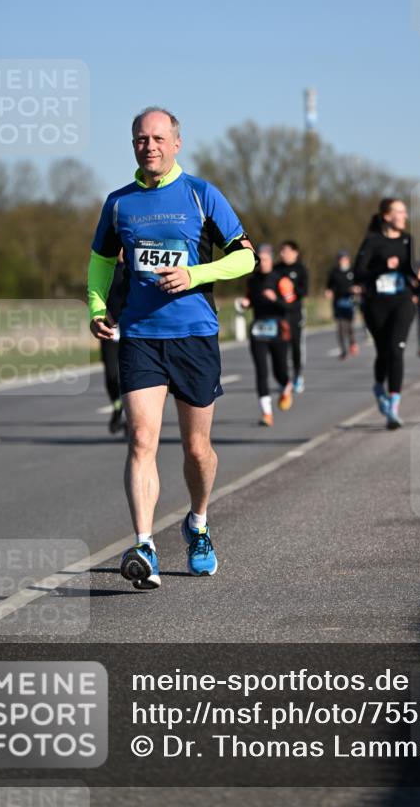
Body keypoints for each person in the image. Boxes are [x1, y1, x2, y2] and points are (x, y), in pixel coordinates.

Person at [87, 107, 256, 589]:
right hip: (140, 337)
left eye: (159, 138)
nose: (150, 146)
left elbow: (246, 256)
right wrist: (97, 308)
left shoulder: (202, 194)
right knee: (141, 440)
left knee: (197, 449)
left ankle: (198, 524)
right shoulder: (119, 203)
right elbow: (100, 261)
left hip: (194, 336)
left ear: (176, 143)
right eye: (141, 139)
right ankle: (144, 544)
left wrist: (196, 274)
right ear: (133, 144)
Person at [354, 198, 417, 429]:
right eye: (399, 212)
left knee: (396, 349)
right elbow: (358, 273)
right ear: (387, 216)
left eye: (404, 212)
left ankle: (394, 407)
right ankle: (379, 386)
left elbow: (415, 270)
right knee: (383, 352)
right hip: (376, 303)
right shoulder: (372, 242)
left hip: (402, 301)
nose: (404, 216)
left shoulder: (409, 241)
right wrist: (382, 268)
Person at [239, 245, 293, 426]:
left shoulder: (281, 280)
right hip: (258, 329)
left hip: (278, 329)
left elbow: (291, 306)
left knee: (280, 371)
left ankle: (286, 385)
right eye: (259, 259)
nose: (263, 263)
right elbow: (250, 299)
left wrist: (275, 299)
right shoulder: (252, 281)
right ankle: (267, 413)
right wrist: (246, 303)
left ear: (271, 259)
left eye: (266, 259)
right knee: (261, 371)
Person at [99, 252, 128, 434]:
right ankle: (117, 407)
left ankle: (132, 417)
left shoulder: (135, 269)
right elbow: (96, 294)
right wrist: (104, 315)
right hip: (111, 330)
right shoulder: (105, 270)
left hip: (132, 331)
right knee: (111, 375)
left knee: (129, 377)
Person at [274, 241, 309, 393]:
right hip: (278, 314)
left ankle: (298, 376)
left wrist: (290, 288)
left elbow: (304, 291)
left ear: (295, 252)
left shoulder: (301, 269)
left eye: (286, 251)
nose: (283, 254)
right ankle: (284, 379)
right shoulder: (276, 269)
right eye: (281, 251)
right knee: (280, 348)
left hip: (295, 313)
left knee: (296, 346)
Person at [324, 251, 360, 360]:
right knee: (340, 327)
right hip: (338, 302)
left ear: (348, 260)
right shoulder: (334, 272)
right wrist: (328, 291)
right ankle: (343, 351)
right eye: (340, 259)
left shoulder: (353, 271)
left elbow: (359, 284)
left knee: (349, 326)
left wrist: (357, 289)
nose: (342, 261)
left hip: (349, 301)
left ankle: (352, 342)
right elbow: (329, 285)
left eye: (344, 259)